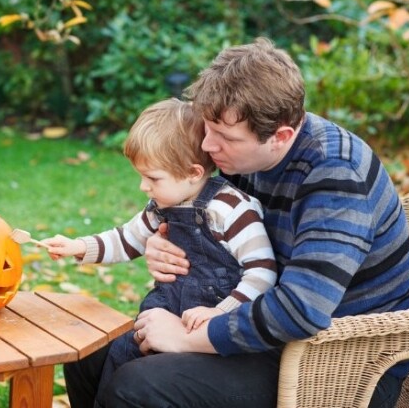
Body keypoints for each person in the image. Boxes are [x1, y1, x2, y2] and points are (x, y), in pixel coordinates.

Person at [64, 38, 409, 408]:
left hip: (339, 362)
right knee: (86, 359)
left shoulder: (336, 176)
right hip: (253, 321)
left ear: (281, 136)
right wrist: (162, 243)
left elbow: (299, 311)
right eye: (208, 128)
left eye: (226, 137)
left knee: (137, 386)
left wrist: (186, 340)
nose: (208, 145)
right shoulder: (242, 157)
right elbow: (210, 225)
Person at [42, 98, 277, 406]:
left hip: (207, 333)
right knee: (115, 358)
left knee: (136, 382)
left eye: (153, 178)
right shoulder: (161, 207)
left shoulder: (231, 210)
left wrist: (219, 313)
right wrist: (78, 247)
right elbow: (127, 239)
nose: (143, 187)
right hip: (160, 317)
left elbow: (262, 272)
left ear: (193, 173)